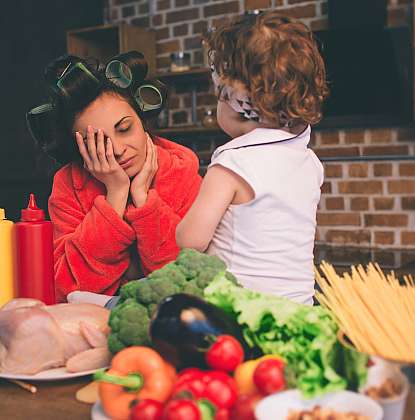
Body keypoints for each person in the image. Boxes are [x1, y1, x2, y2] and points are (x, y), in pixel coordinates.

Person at [176, 12, 328, 305]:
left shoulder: (232, 165)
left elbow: (190, 241)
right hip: (299, 307)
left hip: (240, 311)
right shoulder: (310, 163)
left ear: (230, 100)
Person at [27, 51, 202, 302]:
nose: (118, 150)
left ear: (142, 121)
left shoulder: (180, 172)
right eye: (98, 143)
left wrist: (144, 201)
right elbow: (67, 288)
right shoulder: (69, 185)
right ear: (80, 149)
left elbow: (187, 282)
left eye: (124, 129)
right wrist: (115, 196)